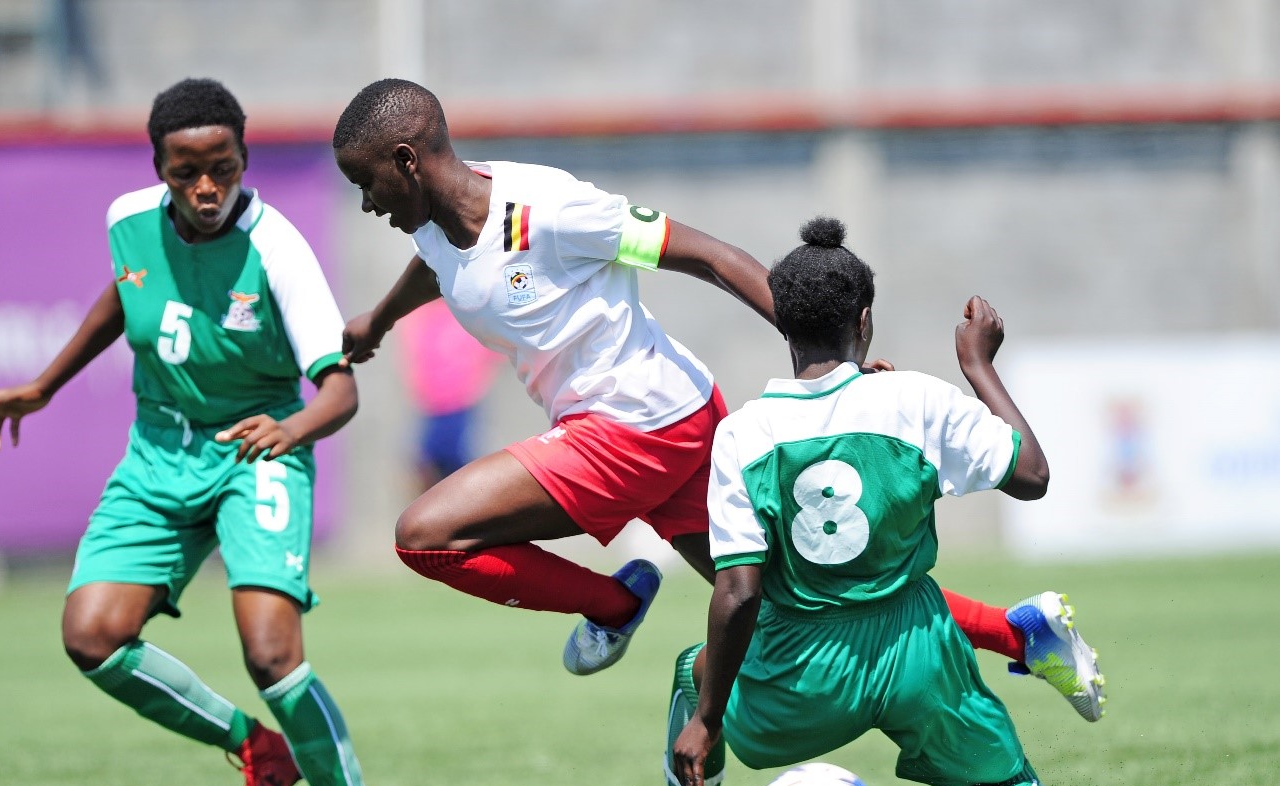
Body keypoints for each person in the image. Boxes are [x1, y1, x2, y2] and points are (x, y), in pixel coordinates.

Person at [330, 78, 1104, 723]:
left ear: (407, 160)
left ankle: (612, 603)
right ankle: (1023, 633)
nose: (366, 203)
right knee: (794, 607)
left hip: (635, 428)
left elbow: (708, 256)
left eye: (366, 183)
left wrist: (828, 355)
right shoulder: (433, 224)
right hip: (670, 425)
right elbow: (438, 267)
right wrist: (379, 319)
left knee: (425, 534)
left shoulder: (552, 211)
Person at [0, 78, 402, 786]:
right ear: (158, 165)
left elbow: (341, 392)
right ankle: (256, 751)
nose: (204, 189)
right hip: (157, 454)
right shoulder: (128, 219)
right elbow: (124, 299)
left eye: (221, 169)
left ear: (243, 159)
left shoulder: (279, 250)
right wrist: (45, 386)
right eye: (184, 171)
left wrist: (290, 432)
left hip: (257, 449)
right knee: (90, 636)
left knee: (272, 654)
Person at [616, 218, 1115, 786]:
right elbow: (1031, 475)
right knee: (1014, 784)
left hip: (803, 669)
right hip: (918, 650)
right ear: (865, 320)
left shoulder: (745, 434)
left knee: (691, 671)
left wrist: (707, 715)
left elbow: (737, 592)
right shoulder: (915, 399)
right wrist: (979, 366)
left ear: (783, 326)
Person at [393, 297, 502, 492]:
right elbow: (414, 354)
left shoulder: (467, 314)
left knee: (460, 462)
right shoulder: (423, 315)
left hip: (462, 401)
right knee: (428, 462)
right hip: (432, 403)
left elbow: (492, 350)